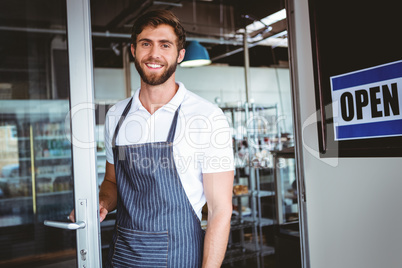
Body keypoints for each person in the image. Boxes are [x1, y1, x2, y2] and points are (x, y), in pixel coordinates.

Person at [71, 9, 234, 267]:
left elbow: (219, 211)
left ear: (180, 55)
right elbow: (112, 181)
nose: (154, 54)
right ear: (134, 50)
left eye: (165, 45)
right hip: (124, 255)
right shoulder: (116, 115)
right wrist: (101, 201)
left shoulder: (207, 116)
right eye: (146, 44)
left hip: (181, 256)